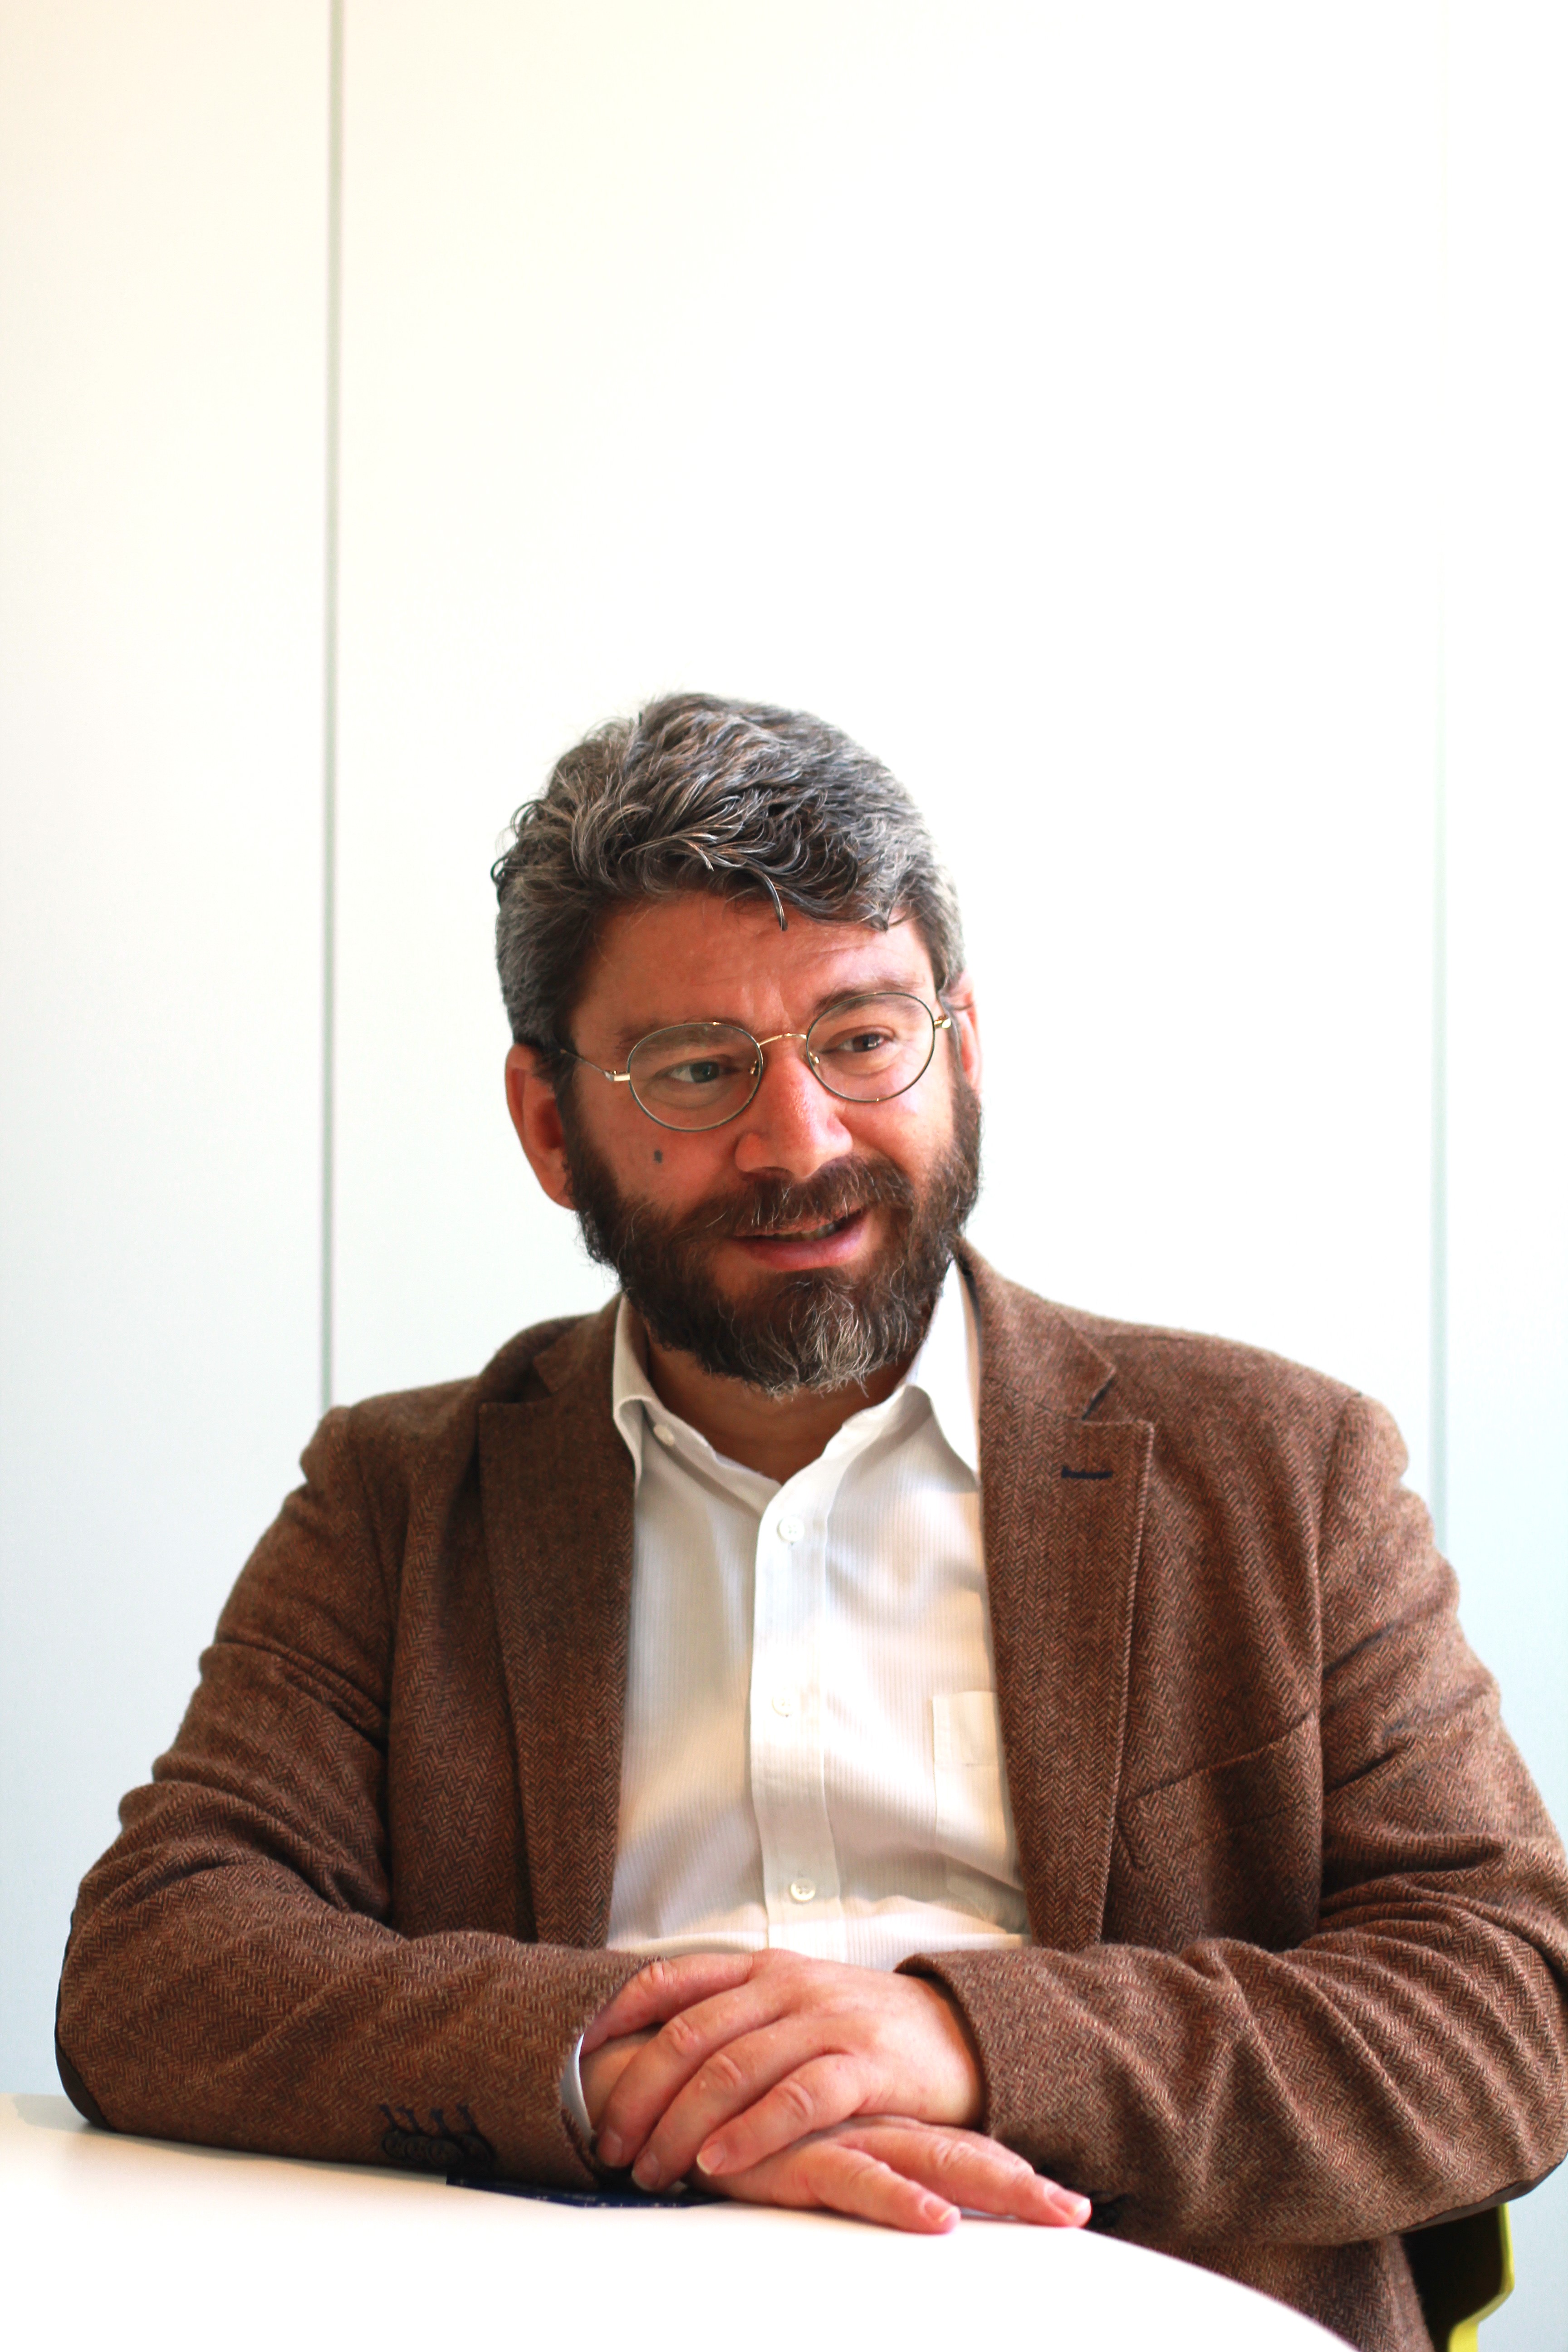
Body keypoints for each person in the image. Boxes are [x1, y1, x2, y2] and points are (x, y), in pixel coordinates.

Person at [57, 695, 1568, 2351]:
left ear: (962, 1050)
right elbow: (159, 1958)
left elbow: (1506, 2008)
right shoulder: (401, 1498)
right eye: (698, 1070)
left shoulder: (1285, 1469)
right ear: (552, 1124)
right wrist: (638, 2070)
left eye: (861, 1039)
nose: (801, 1142)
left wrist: (964, 2043)